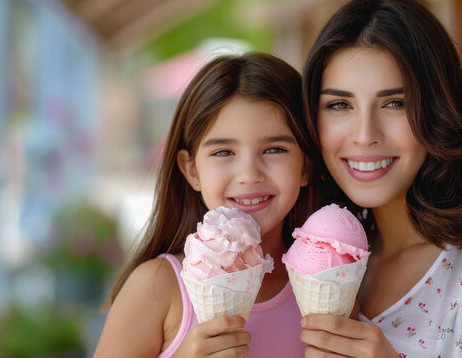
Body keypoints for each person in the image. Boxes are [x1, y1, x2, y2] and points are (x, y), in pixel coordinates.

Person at [299, 0, 462, 357]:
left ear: (438, 110)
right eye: (339, 105)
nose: (364, 135)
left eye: (395, 103)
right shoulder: (308, 259)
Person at [94, 53, 317, 357]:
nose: (249, 175)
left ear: (305, 167)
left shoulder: (326, 284)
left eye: (275, 149)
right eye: (223, 152)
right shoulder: (156, 287)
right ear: (192, 170)